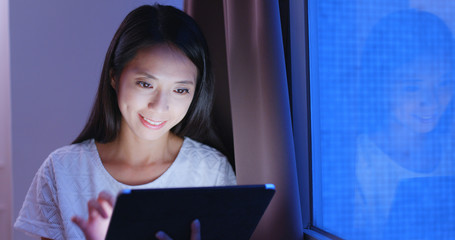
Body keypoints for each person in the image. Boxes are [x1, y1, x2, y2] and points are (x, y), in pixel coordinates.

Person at [14, 4, 236, 240]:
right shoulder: (62, 171)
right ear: (114, 77)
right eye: (145, 84)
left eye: (180, 90)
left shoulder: (212, 172)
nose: (160, 106)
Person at [353, 9, 455, 239]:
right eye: (412, 87)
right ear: (380, 85)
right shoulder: (359, 163)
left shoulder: (451, 153)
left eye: (444, 83)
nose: (431, 101)